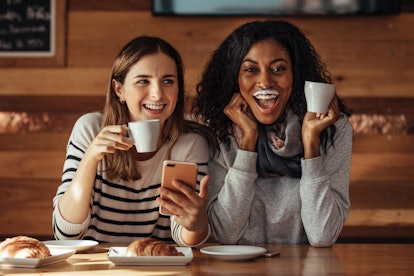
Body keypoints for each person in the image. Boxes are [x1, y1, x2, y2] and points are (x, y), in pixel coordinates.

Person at [192, 20, 353, 247]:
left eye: (278, 69)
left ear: (295, 75)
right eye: (250, 69)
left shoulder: (332, 128)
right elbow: (226, 233)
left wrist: (311, 145)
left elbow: (322, 235)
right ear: (234, 78)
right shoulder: (216, 130)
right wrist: (247, 143)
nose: (265, 81)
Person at [52, 36, 215, 247]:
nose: (157, 95)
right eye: (143, 81)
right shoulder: (90, 129)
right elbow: (65, 233)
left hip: (160, 266)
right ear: (119, 90)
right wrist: (90, 158)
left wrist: (196, 224)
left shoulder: (188, 144)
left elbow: (184, 238)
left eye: (168, 81)